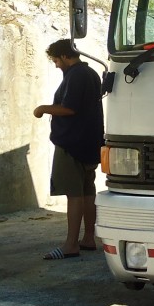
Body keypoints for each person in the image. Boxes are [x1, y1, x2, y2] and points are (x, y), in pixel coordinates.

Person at [33, 38, 103, 260]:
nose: (55, 65)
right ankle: (89, 238)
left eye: (55, 60)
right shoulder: (90, 73)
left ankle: (70, 245)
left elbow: (69, 108)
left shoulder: (76, 75)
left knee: (74, 195)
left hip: (72, 144)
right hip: (90, 142)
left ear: (64, 56)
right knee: (87, 192)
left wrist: (43, 109)